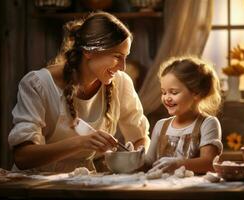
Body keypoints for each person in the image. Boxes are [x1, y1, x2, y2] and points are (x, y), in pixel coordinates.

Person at [8, 12, 150, 173]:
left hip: (82, 184)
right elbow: (22, 157)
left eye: (125, 57)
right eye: (117, 56)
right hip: (34, 187)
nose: (123, 67)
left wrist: (137, 156)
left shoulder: (121, 82)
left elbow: (140, 138)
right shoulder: (38, 84)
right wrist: (81, 142)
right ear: (89, 51)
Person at [145, 56, 223, 174]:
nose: (167, 98)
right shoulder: (161, 126)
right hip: (161, 189)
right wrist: (133, 157)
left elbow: (209, 163)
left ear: (196, 92)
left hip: (193, 191)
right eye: (164, 92)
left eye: (174, 92)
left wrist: (177, 164)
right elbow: (149, 163)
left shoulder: (207, 123)